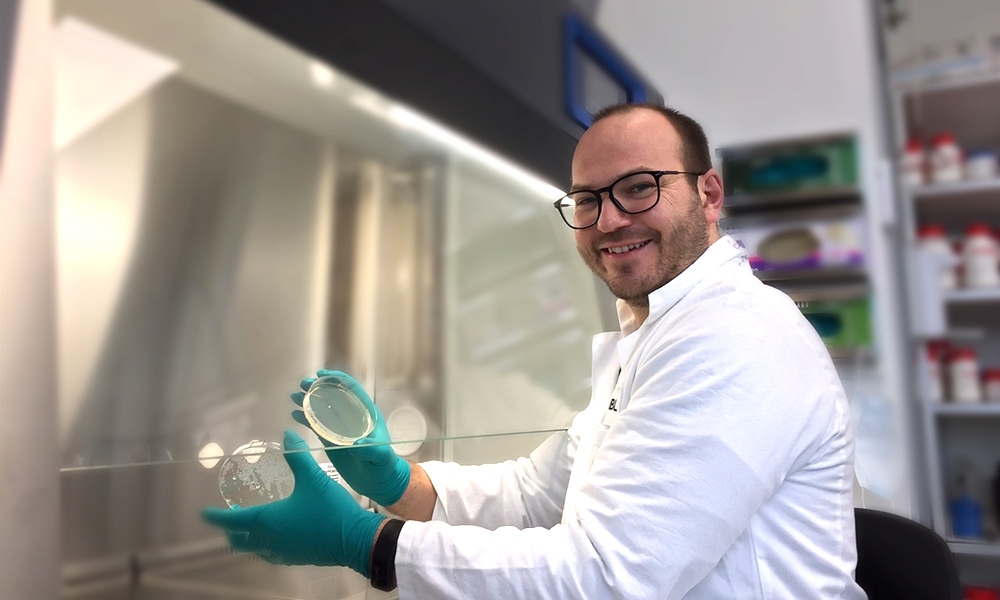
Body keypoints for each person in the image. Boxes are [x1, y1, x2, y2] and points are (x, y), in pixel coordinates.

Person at [203, 103, 866, 599]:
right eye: (587, 200)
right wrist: (398, 481)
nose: (608, 220)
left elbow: (607, 578)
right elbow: (534, 495)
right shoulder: (658, 336)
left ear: (709, 193)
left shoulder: (732, 339)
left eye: (639, 187)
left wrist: (368, 543)